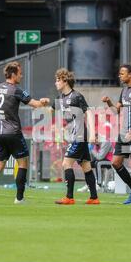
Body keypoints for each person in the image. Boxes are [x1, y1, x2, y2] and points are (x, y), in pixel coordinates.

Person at [0, 61, 50, 204]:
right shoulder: (16, 90)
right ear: (13, 74)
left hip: (0, 133)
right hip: (13, 133)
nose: (21, 76)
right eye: (20, 73)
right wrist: (44, 101)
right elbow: (36, 104)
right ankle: (19, 199)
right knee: (23, 163)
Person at [51, 68, 100, 205]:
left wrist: (91, 133)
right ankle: (94, 198)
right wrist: (56, 125)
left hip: (79, 136)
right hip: (73, 136)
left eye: (57, 80)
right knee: (86, 166)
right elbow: (50, 111)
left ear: (65, 81)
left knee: (66, 163)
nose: (55, 83)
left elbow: (88, 113)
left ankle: (69, 197)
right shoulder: (59, 99)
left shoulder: (76, 96)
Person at [102, 64, 131, 205]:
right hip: (123, 133)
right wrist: (109, 102)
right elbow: (117, 111)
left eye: (122, 73)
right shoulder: (124, 90)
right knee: (116, 162)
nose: (119, 75)